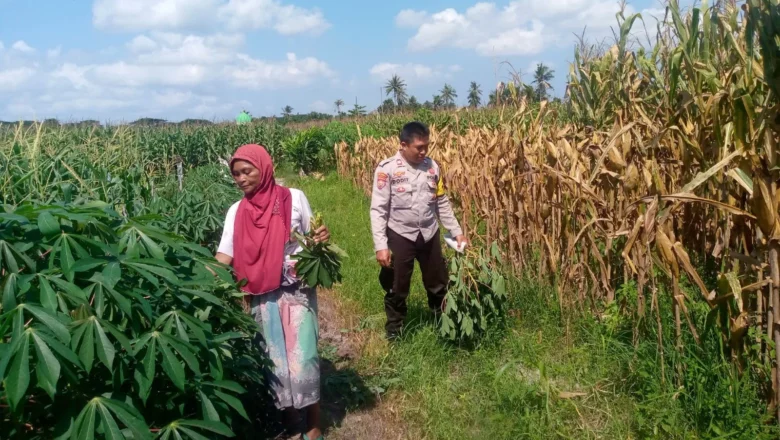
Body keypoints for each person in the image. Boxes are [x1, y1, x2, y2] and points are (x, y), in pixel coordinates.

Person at [215, 143, 328, 440]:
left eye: (247, 171)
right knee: (276, 360)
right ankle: (291, 421)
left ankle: (314, 423)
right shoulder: (237, 211)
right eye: (236, 174)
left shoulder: (294, 198)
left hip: (296, 289)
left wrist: (320, 238)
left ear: (264, 167)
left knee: (303, 356)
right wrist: (198, 282)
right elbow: (224, 256)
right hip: (260, 294)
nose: (241, 179)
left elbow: (312, 238)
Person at [370, 121, 468, 340]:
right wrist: (381, 246)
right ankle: (395, 333)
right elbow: (378, 209)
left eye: (427, 146)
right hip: (400, 234)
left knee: (438, 282)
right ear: (403, 145)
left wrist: (456, 231)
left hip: (428, 233)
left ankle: (443, 324)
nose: (424, 152)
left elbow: (441, 201)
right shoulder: (387, 170)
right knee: (397, 286)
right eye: (419, 147)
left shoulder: (432, 167)